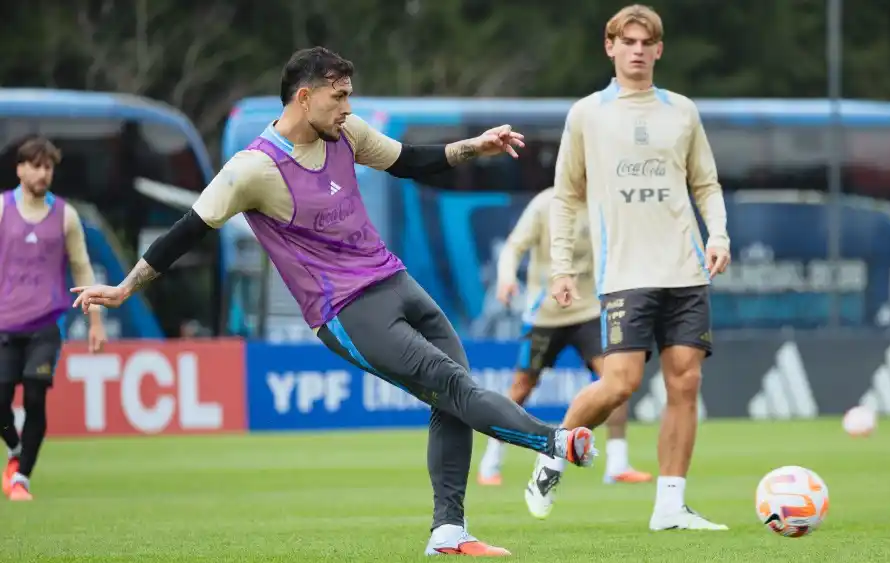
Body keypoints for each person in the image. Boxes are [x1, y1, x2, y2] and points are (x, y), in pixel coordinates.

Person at [70, 46, 595, 557]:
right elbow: (185, 232)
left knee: (453, 395)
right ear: (304, 96)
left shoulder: (347, 133)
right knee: (455, 386)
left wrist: (473, 147)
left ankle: (448, 534)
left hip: (396, 281)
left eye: (349, 97)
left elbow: (407, 161)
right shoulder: (251, 170)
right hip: (346, 311)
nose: (348, 108)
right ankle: (553, 443)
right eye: (339, 97)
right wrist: (124, 288)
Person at [524, 5, 732, 531]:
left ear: (659, 50)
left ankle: (669, 506)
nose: (638, 50)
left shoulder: (681, 111)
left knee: (685, 382)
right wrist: (563, 267)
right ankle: (552, 455)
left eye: (647, 42)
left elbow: (705, 183)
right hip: (625, 275)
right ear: (610, 46)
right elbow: (566, 196)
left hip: (684, 270)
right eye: (628, 41)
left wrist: (719, 235)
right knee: (619, 384)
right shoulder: (587, 114)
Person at [477, 186, 651, 488]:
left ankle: (617, 463)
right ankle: (490, 462)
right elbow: (513, 247)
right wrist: (506, 278)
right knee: (522, 386)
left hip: (589, 310)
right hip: (545, 313)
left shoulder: (604, 203)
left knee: (615, 380)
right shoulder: (545, 204)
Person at [0, 136, 107, 502]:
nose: (43, 173)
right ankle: (15, 450)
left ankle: (22, 479)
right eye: (36, 165)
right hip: (4, 325)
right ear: (20, 168)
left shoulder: (66, 216)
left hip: (45, 325)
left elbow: (82, 269)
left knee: (34, 396)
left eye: (48, 167)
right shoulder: (1, 210)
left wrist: (95, 323)